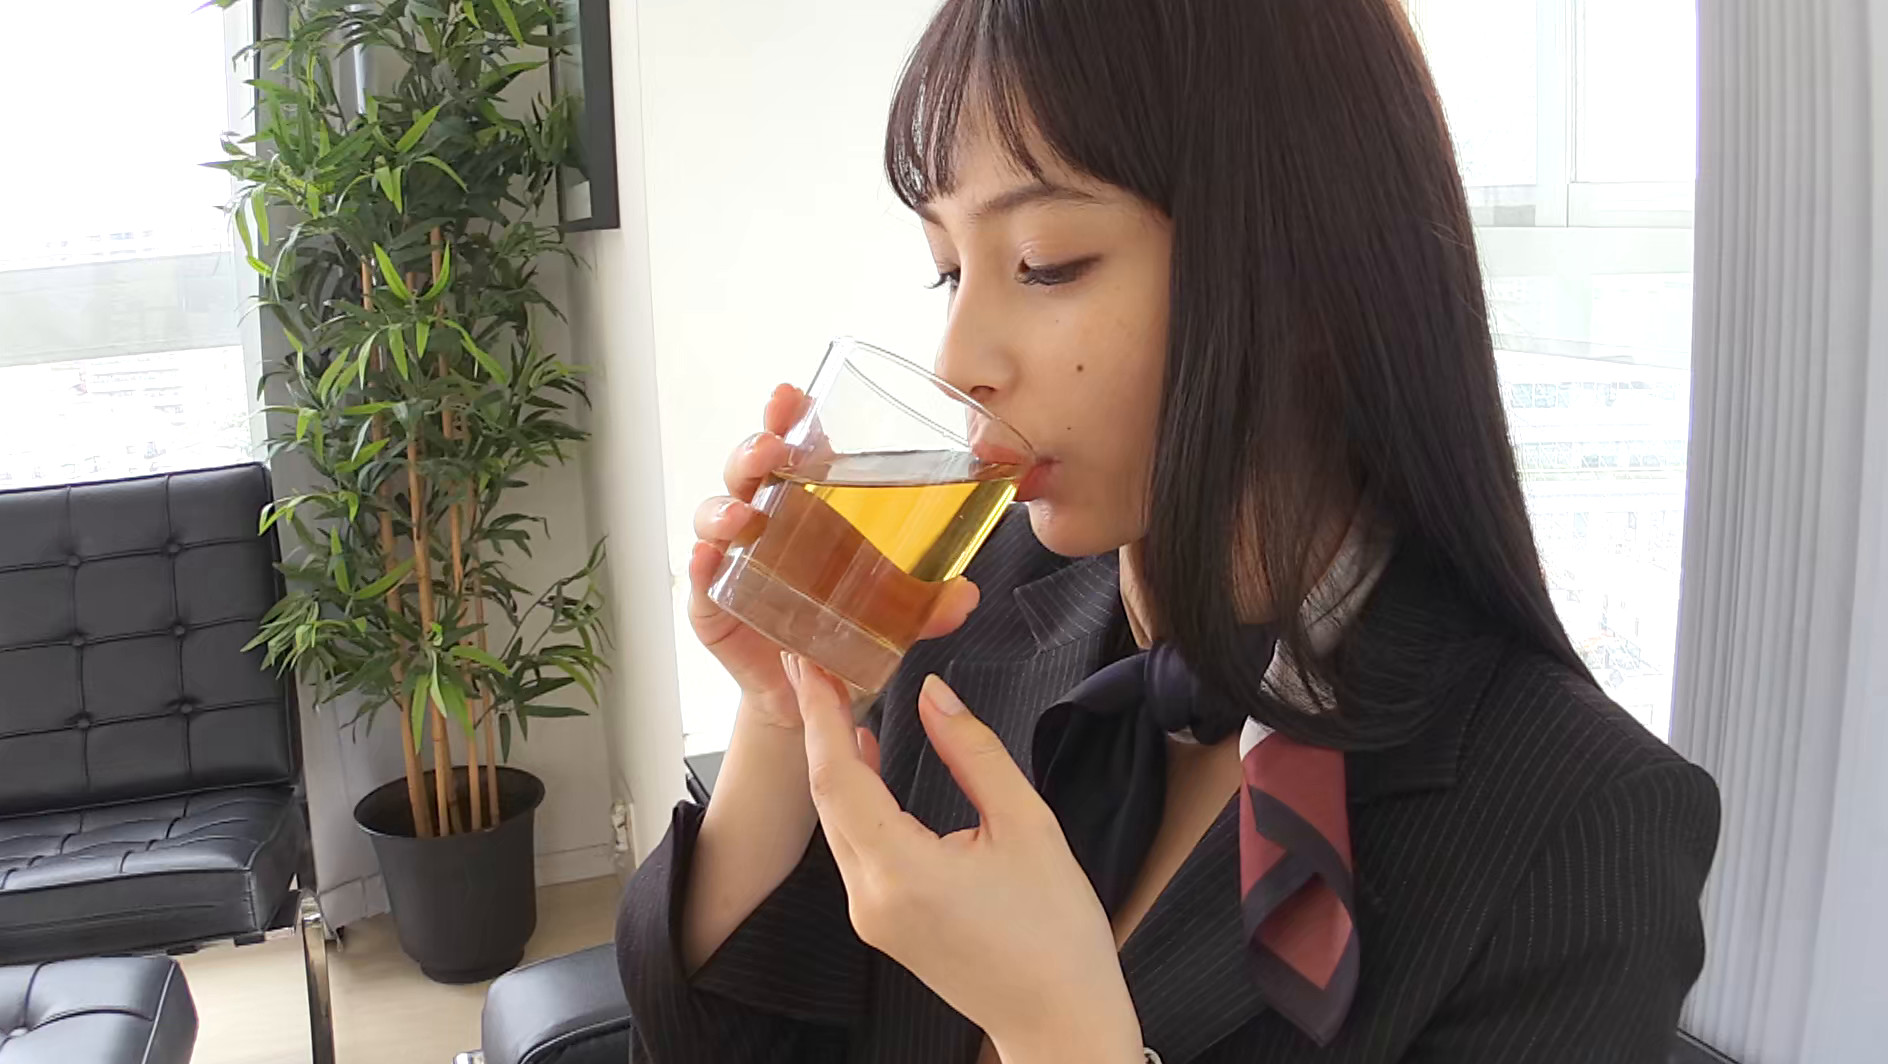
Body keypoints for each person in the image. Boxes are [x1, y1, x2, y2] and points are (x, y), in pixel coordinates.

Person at [615, 0, 1720, 1060]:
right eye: (948, 269)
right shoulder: (970, 605)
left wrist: (1062, 1033)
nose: (959, 361)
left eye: (1044, 262)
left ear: (1308, 270)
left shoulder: (1583, 826)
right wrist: (786, 707)